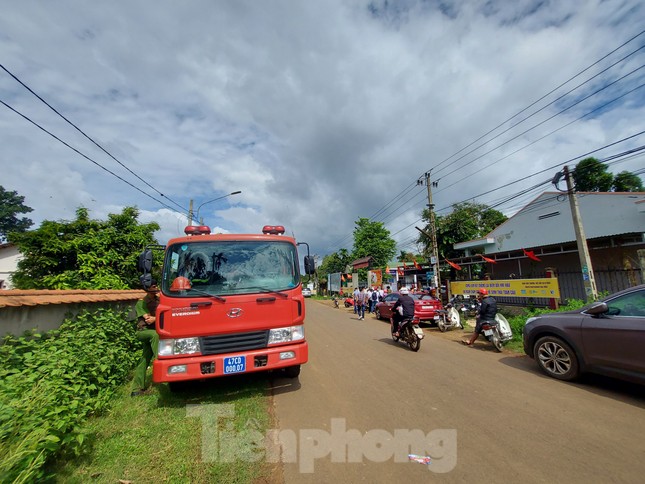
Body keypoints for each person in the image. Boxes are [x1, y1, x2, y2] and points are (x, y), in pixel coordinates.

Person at [131, 279, 160, 396]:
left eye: (155, 285)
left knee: (144, 358)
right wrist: (157, 318)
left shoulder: (159, 300)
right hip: (144, 331)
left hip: (153, 330)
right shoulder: (141, 302)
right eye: (153, 286)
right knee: (155, 335)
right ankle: (160, 359)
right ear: (148, 289)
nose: (155, 288)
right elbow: (148, 319)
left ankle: (136, 389)